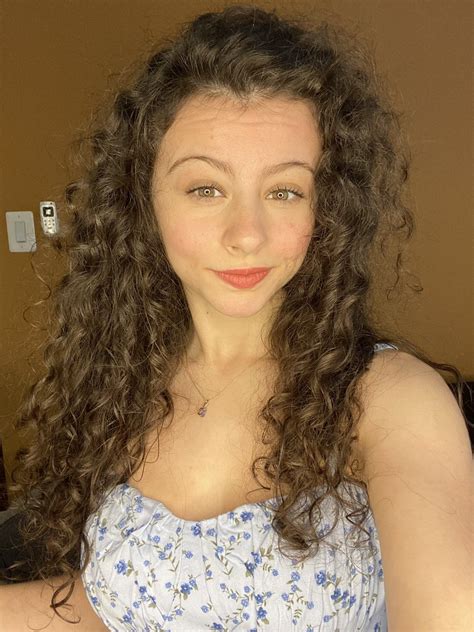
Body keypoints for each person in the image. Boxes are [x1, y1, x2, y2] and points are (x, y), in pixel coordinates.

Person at [1, 4, 472, 631]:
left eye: (284, 191)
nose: (247, 234)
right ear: (145, 201)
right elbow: (120, 606)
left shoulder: (387, 400)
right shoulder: (121, 381)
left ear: (325, 209)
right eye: (206, 188)